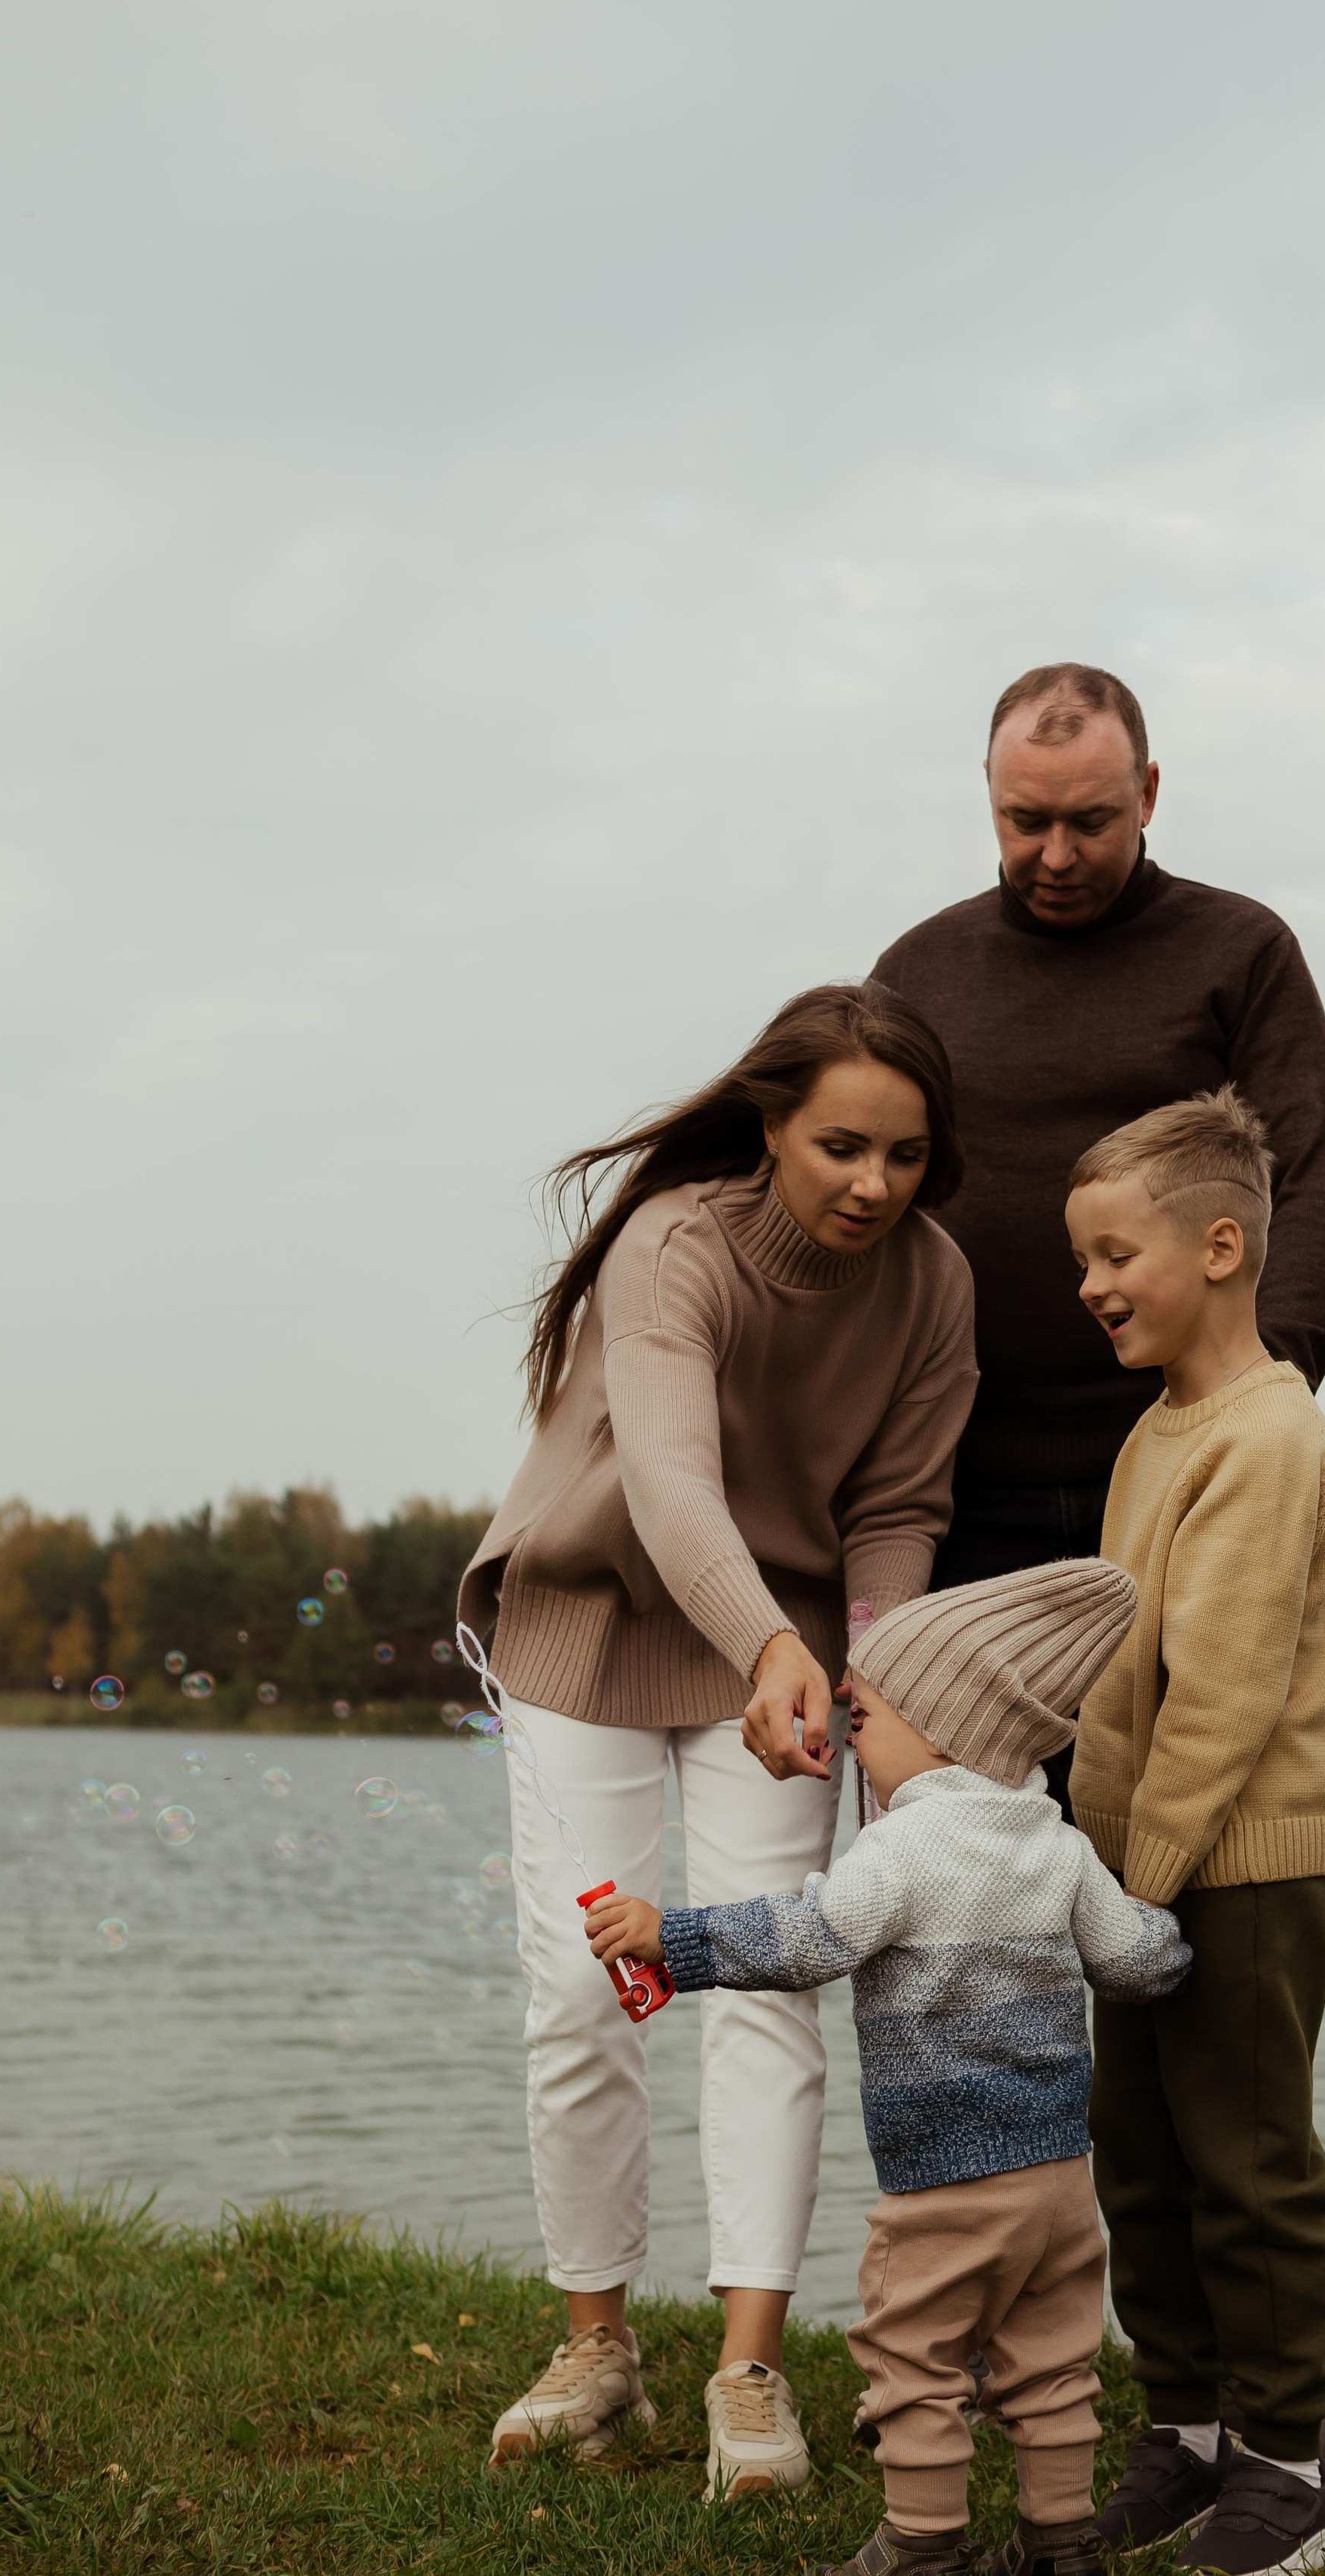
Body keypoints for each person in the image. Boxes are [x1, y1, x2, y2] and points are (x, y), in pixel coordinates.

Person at [459, 982, 978, 2499]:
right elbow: (676, 1482)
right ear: (768, 1125)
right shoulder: (670, 1244)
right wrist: (763, 1639)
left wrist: (871, 1685)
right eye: (839, 1147)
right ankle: (597, 2344)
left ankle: (746, 2370)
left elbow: (897, 1508)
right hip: (591, 1623)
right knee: (587, 1983)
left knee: (766, 1986)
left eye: (903, 1156)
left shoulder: (931, 1284)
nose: (872, 1185)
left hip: (784, 1666)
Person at [586, 1558, 1192, 2574]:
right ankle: (1059, 2546)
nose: (850, 1729)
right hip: (1055, 2180)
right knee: (1051, 2365)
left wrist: (673, 1940)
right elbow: (1135, 1961)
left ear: (950, 1728)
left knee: (915, 2362)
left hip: (944, 2184)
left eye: (866, 1717)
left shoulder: (901, 1849)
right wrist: (1182, 1936)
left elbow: (805, 1939)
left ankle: (921, 2547)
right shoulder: (1059, 1846)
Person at [869, 663, 1325, 1796]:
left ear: (1147, 791)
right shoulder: (916, 972)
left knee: (1161, 1838)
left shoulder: (1242, 951)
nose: (1053, 853)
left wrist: (1250, 1419)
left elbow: (1314, 1184)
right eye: (1022, 820)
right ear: (985, 796)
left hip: (1175, 1481)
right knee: (955, 1865)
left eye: (1089, 821)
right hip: (956, 1490)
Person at [1065, 1090, 1325, 2576]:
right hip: (1139, 1875)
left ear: (1223, 1245)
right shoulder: (1152, 1435)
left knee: (1246, 2166)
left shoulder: (1268, 1438)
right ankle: (1183, 2428)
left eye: (1115, 1254)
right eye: (1082, 1262)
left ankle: (1290, 2458)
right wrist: (1098, 1872)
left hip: (1236, 1874)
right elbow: (1119, 1673)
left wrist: (1144, 1893)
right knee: (1141, 2154)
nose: (1091, 1286)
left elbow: (1224, 1700)